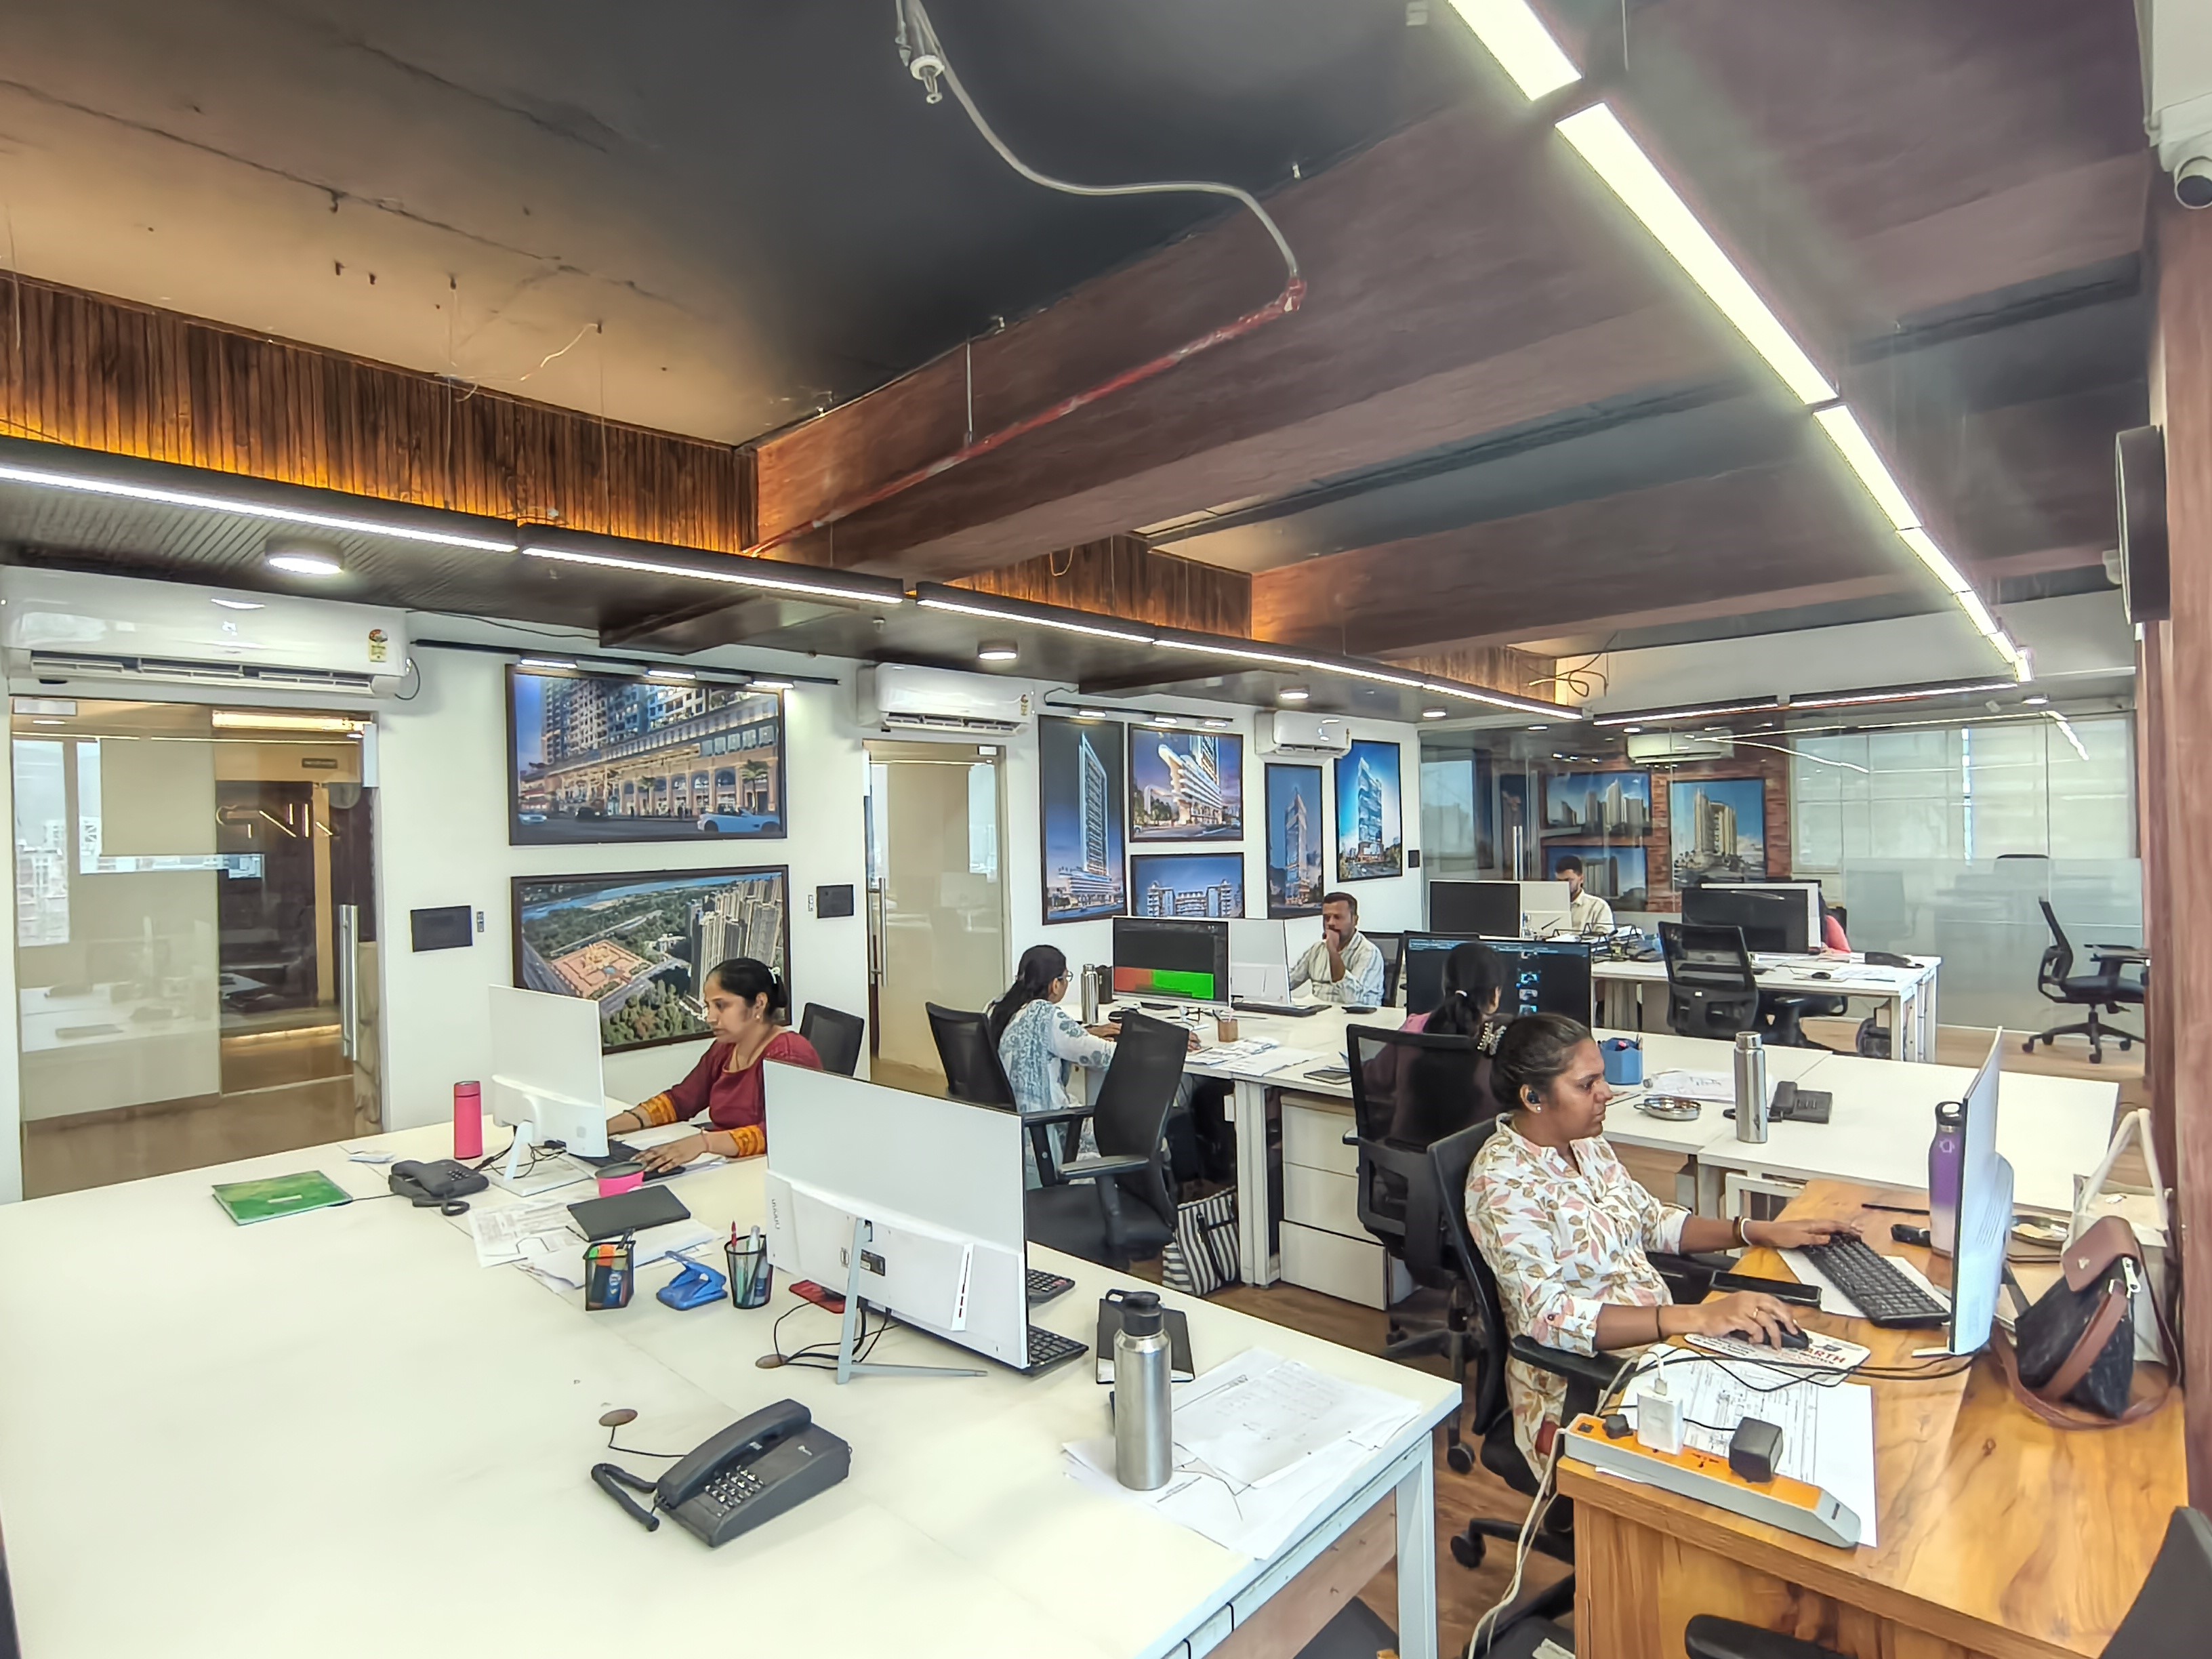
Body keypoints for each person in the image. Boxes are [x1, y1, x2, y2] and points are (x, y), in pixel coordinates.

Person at [1465, 1012, 1858, 1466]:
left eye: (1602, 1079)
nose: (1607, 1093)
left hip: (1665, 1352)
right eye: (1587, 1085)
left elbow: (1651, 1221)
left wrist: (1753, 1230)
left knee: (1802, 1403)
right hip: (1588, 1389)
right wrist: (1695, 1318)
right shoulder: (1503, 1181)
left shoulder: (1584, 1144)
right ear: (1533, 1098)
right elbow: (1549, 1317)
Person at [607, 958, 821, 1173]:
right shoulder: (725, 1048)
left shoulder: (789, 1054)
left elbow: (782, 1133)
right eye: (709, 1006)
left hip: (767, 1172)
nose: (710, 1018)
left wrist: (704, 1143)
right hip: (730, 1167)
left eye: (721, 1006)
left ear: (759, 1004)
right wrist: (607, 1128)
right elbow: (681, 1101)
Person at [989, 945, 1117, 1187]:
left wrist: (1085, 1032)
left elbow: (1047, 1039)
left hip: (1011, 1133)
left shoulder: (998, 1008)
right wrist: (1162, 1043)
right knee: (1122, 1131)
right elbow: (1103, 1055)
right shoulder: (1043, 1014)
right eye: (1066, 978)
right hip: (1046, 1135)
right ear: (1055, 985)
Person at [1290, 891, 1385, 1007]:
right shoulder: (1317, 949)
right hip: (1320, 1014)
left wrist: (1332, 951)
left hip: (1354, 1015)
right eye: (1327, 918)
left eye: (1338, 917)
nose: (1330, 923)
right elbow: (1288, 981)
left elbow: (1353, 1000)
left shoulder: (1368, 952)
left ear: (1355, 920)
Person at [1555, 855, 1614, 935]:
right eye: (1559, 881)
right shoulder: (1550, 906)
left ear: (1581, 879)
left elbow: (1605, 938)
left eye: (1568, 880)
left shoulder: (1598, 906)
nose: (1563, 885)